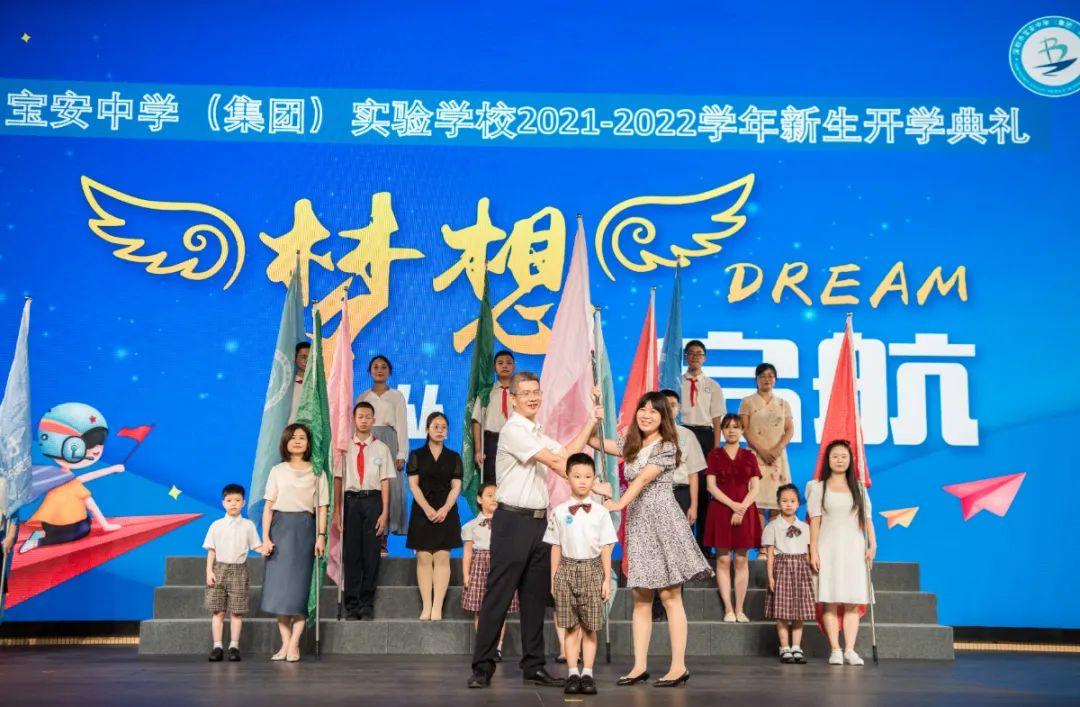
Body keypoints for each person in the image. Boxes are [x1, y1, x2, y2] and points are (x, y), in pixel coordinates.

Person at [467, 371, 602, 690]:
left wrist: (591, 421)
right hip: (512, 522)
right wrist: (593, 485)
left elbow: (566, 455)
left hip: (540, 522)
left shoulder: (535, 430)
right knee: (499, 595)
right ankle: (482, 667)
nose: (532, 397)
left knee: (534, 598)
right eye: (525, 393)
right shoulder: (514, 430)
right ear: (512, 399)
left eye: (536, 392)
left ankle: (534, 666)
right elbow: (557, 465)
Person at [592, 391, 714, 688]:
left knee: (671, 596)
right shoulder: (632, 443)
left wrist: (619, 504)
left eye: (653, 411)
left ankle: (678, 667)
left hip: (663, 521)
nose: (646, 415)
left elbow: (644, 478)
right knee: (641, 596)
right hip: (639, 524)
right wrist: (595, 415)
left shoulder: (668, 446)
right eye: (642, 409)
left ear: (663, 417)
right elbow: (597, 442)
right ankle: (639, 667)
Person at [544, 453, 617, 696]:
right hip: (566, 569)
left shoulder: (601, 512)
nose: (582, 481)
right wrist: (554, 578)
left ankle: (588, 673)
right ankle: (573, 672)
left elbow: (606, 547)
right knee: (570, 626)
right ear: (567, 478)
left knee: (590, 626)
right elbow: (555, 546)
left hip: (593, 569)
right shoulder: (559, 511)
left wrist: (606, 579)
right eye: (576, 476)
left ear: (594, 479)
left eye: (587, 476)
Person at [259, 424, 329, 662]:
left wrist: (321, 536)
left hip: (305, 530)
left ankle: (295, 644)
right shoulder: (277, 471)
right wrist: (266, 538)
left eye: (302, 438)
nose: (297, 441)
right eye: (293, 437)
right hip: (280, 530)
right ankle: (285, 643)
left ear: (308, 443)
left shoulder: (317, 472)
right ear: (285, 442)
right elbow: (268, 507)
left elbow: (322, 507)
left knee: (299, 593)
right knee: (280, 593)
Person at [808, 440, 876, 666]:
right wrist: (813, 551)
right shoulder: (818, 488)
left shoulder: (859, 488)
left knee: (851, 602)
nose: (839, 460)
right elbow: (815, 522)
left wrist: (873, 545)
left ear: (850, 460)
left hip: (854, 549)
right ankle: (835, 649)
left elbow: (867, 519)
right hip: (828, 548)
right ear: (828, 460)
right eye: (835, 456)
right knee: (829, 601)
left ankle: (850, 650)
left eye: (844, 456)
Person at [333, 401, 396, 620]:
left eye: (368, 417)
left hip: (373, 501)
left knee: (371, 555)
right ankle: (351, 605)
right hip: (351, 501)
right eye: (360, 416)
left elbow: (385, 482)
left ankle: (366, 604)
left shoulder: (381, 448)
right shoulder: (344, 448)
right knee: (352, 555)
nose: (364, 420)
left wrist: (384, 512)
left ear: (373, 420)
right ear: (353, 419)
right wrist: (337, 511)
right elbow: (338, 480)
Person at [651, 388, 706, 621]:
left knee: (677, 550)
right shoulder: (650, 434)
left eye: (673, 405)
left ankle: (675, 603)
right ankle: (656, 605)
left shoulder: (687, 435)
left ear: (678, 408)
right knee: (655, 548)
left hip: (681, 494)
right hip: (656, 494)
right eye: (665, 404)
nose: (669, 408)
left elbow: (694, 473)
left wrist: (693, 505)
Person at [703, 414, 762, 623]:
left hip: (745, 510)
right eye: (727, 427)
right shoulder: (715, 455)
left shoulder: (749, 455)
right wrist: (733, 505)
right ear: (722, 431)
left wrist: (742, 508)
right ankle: (728, 609)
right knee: (723, 559)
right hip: (721, 510)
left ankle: (740, 609)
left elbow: (755, 487)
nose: (731, 431)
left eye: (736, 427)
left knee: (741, 559)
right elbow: (711, 486)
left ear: (742, 430)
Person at [406, 411, 462, 621]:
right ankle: (426, 606)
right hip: (423, 510)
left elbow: (456, 487)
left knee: (442, 556)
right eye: (436, 426)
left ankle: (437, 606)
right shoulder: (416, 455)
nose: (440, 430)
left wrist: (445, 509)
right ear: (427, 429)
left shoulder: (453, 457)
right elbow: (413, 485)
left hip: (446, 510)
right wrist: (427, 509)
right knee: (423, 557)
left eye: (443, 427)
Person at [739, 363, 794, 554]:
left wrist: (778, 448)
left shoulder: (783, 403)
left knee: (778, 502)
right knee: (758, 504)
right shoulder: (748, 402)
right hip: (756, 456)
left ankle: (774, 547)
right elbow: (744, 429)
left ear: (775, 379)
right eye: (762, 376)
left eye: (771, 376)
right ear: (756, 379)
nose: (767, 379)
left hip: (778, 458)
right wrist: (761, 450)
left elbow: (789, 429)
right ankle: (761, 547)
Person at [203, 483, 261, 662]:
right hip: (219, 569)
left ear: (244, 502)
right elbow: (211, 550)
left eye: (237, 500)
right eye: (229, 500)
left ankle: (234, 646)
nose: (233, 503)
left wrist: (267, 548)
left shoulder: (248, 525)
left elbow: (256, 546)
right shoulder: (216, 525)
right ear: (223, 503)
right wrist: (209, 571)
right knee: (218, 611)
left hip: (239, 570)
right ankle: (217, 646)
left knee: (237, 612)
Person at [461, 483, 519, 661]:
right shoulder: (471, 526)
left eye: (496, 495)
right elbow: (468, 552)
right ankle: (484, 645)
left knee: (500, 608)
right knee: (480, 609)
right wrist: (466, 575)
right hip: (480, 567)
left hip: (500, 566)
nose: (494, 499)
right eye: (489, 495)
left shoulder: (508, 525)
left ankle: (497, 647)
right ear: (479, 499)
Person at [680, 340, 726, 558]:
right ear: (685, 357)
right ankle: (685, 545)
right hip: (682, 433)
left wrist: (716, 448)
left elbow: (717, 419)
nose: (695, 357)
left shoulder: (712, 385)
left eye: (699, 354)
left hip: (705, 436)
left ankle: (704, 545)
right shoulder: (676, 382)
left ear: (705, 358)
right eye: (690, 353)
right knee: (685, 487)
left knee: (704, 491)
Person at [358, 355, 409, 550]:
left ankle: (383, 540)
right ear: (370, 371)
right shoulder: (363, 397)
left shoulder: (396, 396)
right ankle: (369, 538)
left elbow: (402, 426)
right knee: (370, 487)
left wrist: (401, 454)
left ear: (389, 371)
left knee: (390, 489)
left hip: (389, 443)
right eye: (375, 367)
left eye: (383, 367)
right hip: (368, 442)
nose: (379, 370)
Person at [763, 484, 814, 664]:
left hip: (801, 569)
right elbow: (770, 554)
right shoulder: (773, 526)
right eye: (784, 501)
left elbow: (808, 553)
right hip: (782, 568)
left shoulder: (805, 527)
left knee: (799, 611)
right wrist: (770, 577)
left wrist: (810, 573)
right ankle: (784, 647)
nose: (788, 504)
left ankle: (796, 646)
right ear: (778, 503)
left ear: (798, 503)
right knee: (782, 611)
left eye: (792, 501)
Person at [471, 349, 516, 486]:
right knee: (491, 481)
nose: (505, 366)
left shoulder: (520, 392)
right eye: (500, 363)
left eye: (509, 363)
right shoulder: (486, 393)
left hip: (515, 439)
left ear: (514, 367)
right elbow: (476, 421)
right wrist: (478, 450)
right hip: (492, 442)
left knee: (514, 479)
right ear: (494, 368)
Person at [288, 342, 310, 423]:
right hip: (290, 428)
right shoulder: (287, 386)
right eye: (304, 357)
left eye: (310, 357)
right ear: (295, 358)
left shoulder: (320, 386)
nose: (307, 360)